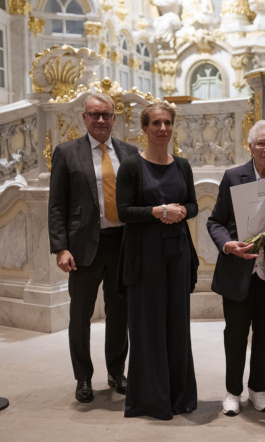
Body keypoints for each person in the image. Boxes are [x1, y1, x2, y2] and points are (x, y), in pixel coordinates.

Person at [48, 92, 138, 403]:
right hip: (84, 247)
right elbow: (57, 205)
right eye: (94, 114)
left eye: (106, 115)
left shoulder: (129, 152)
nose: (101, 120)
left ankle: (116, 372)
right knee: (80, 315)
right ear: (84, 118)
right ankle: (83, 377)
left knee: (119, 314)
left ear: (115, 119)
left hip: (122, 244)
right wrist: (61, 248)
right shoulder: (67, 152)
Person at [207, 120, 265, 416]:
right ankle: (233, 391)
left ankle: (258, 389)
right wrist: (228, 245)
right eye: (261, 143)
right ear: (250, 146)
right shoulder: (233, 176)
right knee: (235, 334)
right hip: (238, 271)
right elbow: (215, 221)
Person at [115, 102, 198, 420]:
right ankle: (150, 400)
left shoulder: (183, 166)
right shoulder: (132, 167)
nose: (163, 128)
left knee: (177, 327)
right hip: (144, 257)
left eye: (167, 122)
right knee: (147, 327)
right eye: (156, 123)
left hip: (176, 254)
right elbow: (122, 212)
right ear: (145, 128)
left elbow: (192, 205)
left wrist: (180, 211)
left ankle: (179, 397)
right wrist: (158, 211)